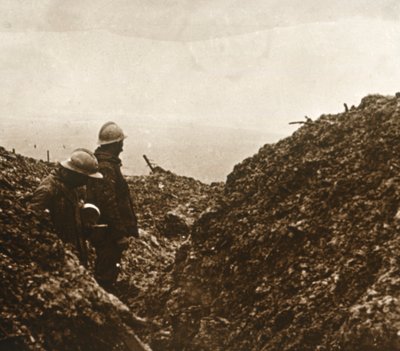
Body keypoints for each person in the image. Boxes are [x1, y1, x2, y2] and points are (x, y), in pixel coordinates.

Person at [86, 121, 139, 291]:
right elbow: (108, 203)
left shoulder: (106, 164)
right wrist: (119, 234)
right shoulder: (107, 167)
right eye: (121, 144)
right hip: (109, 232)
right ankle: (103, 304)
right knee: (106, 270)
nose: (122, 148)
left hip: (107, 230)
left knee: (107, 267)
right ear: (114, 145)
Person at [29, 148, 103, 266]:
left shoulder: (70, 187)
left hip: (74, 251)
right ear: (73, 173)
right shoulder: (48, 190)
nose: (85, 182)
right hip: (58, 257)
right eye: (84, 177)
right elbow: (34, 225)